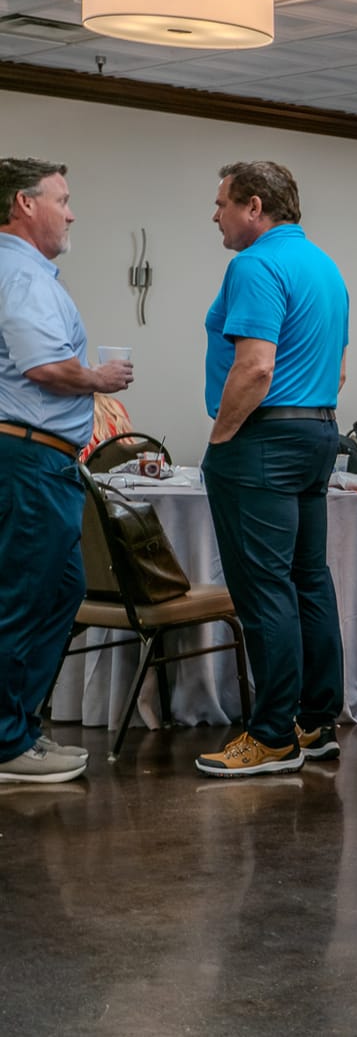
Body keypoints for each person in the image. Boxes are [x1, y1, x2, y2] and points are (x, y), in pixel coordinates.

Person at [196, 161, 351, 777]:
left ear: (254, 206)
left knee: (265, 593)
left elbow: (257, 367)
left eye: (222, 204)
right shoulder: (325, 267)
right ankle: (316, 723)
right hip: (318, 430)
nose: (215, 216)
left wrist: (221, 435)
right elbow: (338, 370)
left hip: (263, 436)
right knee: (309, 581)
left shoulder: (254, 265)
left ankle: (271, 736)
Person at [0, 158, 131, 783]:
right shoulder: (19, 274)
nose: (71, 212)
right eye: (63, 199)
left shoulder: (23, 272)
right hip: (28, 458)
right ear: (25, 204)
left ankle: (18, 729)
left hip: (34, 459)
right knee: (25, 598)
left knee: (59, 590)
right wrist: (99, 379)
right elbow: (44, 367)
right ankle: (5, 743)